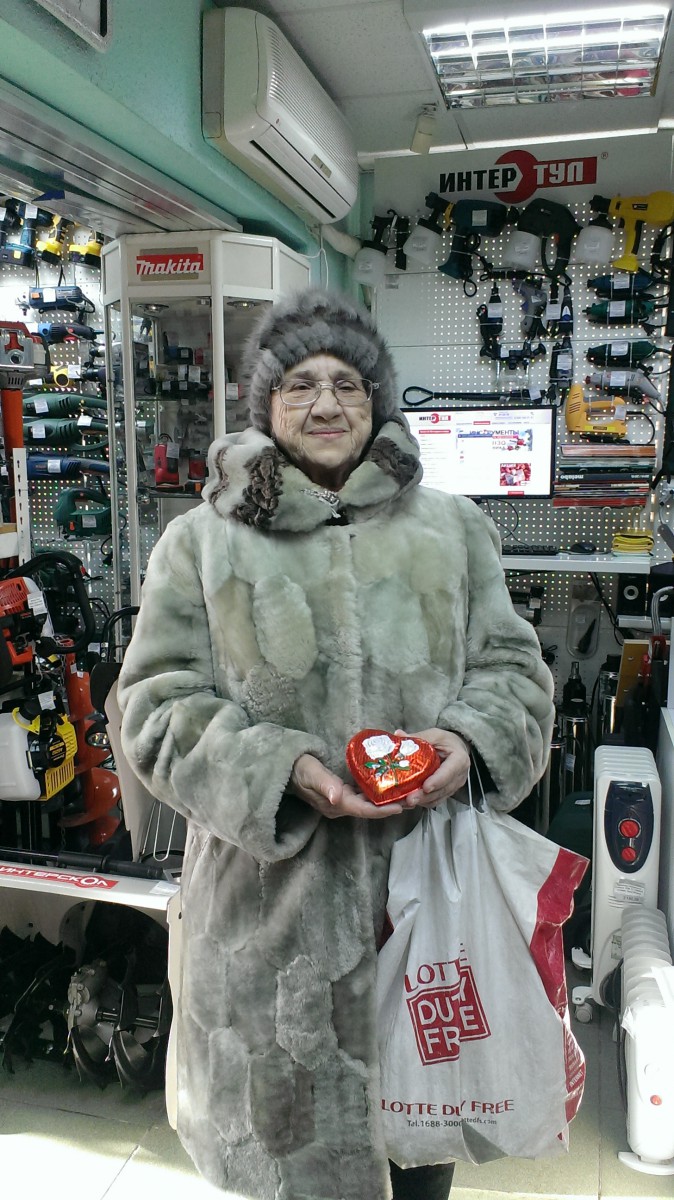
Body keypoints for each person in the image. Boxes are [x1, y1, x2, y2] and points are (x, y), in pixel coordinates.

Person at [118, 286, 555, 1200]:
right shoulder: (200, 543)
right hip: (265, 946)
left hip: (428, 928)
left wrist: (467, 741)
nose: (325, 403)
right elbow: (153, 710)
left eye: (348, 384)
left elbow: (515, 672)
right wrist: (283, 770)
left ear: (377, 401)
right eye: (300, 384)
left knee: (420, 1164)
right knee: (282, 1167)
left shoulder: (454, 531)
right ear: (266, 405)